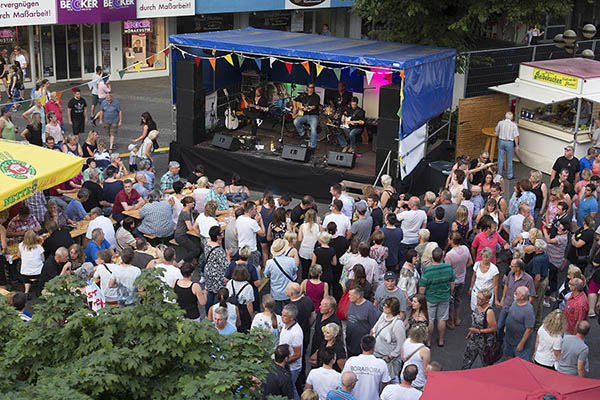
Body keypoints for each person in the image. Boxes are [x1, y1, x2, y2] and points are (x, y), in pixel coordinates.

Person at [419, 247, 455, 347]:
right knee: (442, 319)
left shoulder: (428, 271)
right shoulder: (448, 268)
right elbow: (452, 284)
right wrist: (450, 293)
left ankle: (428, 341)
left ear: (432, 258)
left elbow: (422, 288)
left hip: (430, 298)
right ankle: (441, 340)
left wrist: (422, 298)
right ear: (442, 257)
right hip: (444, 297)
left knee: (430, 320)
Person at [341, 335, 391, 399]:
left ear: (361, 346)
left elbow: (343, 380)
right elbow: (385, 383)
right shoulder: (381, 363)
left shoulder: (351, 361)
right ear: (373, 347)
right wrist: (380, 393)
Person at [372, 297, 406, 379]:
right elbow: (375, 328)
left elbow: (401, 345)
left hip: (388, 360)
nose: (383, 307)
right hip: (376, 354)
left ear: (391, 309)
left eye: (386, 306)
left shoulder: (398, 324)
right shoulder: (384, 315)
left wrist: (390, 357)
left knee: (388, 380)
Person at [462, 289, 497, 369]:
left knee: (486, 364)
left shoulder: (489, 312)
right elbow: (475, 322)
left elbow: (494, 328)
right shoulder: (477, 306)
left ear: (487, 300)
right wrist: (471, 332)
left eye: (481, 299)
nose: (478, 300)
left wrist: (478, 331)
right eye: (478, 298)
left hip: (485, 342)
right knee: (467, 361)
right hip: (474, 339)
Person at [444, 232, 472, 328]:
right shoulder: (465, 249)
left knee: (450, 300)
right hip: (462, 279)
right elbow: (470, 262)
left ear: (451, 241)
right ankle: (457, 318)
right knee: (458, 299)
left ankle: (451, 322)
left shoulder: (449, 255)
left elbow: (447, 271)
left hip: (452, 281)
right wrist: (463, 268)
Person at [264, 239, 298, 313]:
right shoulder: (291, 261)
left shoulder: (269, 263)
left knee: (277, 313)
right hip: (289, 291)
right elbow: (294, 271)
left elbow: (266, 275)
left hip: (275, 292)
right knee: (290, 312)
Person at [345, 286, 379, 357]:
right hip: (350, 341)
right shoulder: (351, 303)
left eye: (351, 295)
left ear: (358, 296)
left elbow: (374, 326)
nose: (349, 296)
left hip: (361, 345)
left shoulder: (369, 307)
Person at [504, 286, 535, 360]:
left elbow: (529, 329)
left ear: (522, 297)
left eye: (516, 293)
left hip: (519, 343)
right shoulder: (515, 303)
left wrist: (521, 344)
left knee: (520, 364)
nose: (514, 294)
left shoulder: (528, 310)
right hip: (509, 340)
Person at [280, 303, 304, 400]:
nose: (282, 317)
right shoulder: (285, 325)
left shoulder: (296, 333)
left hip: (292, 367)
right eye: (282, 314)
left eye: (285, 316)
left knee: (290, 388)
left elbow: (297, 354)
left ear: (292, 317)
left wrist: (282, 361)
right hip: (285, 363)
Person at [396, 197, 427, 265]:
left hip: (404, 240)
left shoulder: (405, 214)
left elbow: (392, 217)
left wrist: (398, 206)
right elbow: (423, 228)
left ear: (412, 205)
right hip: (415, 240)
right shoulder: (423, 213)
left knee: (403, 259)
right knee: (414, 259)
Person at [469, 247, 499, 312]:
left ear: (490, 257)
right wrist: (471, 288)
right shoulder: (477, 265)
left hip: (487, 295)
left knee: (485, 312)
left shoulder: (494, 269)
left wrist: (496, 299)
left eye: (487, 257)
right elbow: (473, 277)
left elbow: (495, 286)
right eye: (484, 257)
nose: (485, 259)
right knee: (474, 309)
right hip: (476, 292)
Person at [400, 326, 430, 391]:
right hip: (418, 380)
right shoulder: (425, 350)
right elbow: (426, 368)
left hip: (405, 375)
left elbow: (402, 358)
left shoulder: (406, 342)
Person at [293, 83, 320, 151]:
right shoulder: (303, 95)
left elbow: (314, 106)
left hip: (313, 115)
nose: (311, 89)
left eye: (312, 87)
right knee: (296, 121)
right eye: (310, 87)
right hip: (304, 115)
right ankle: (303, 134)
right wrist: (295, 108)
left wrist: (309, 108)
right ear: (307, 88)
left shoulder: (316, 97)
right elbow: (294, 100)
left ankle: (312, 146)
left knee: (313, 128)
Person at [18, 230, 45, 295]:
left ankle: (26, 291)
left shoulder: (21, 245)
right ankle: (40, 289)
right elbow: (43, 260)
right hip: (38, 272)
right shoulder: (39, 247)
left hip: (25, 273)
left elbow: (18, 255)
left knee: (24, 272)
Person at [495, 111, 520, 179]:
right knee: (509, 159)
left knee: (500, 158)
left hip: (501, 141)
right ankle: (509, 175)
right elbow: (516, 136)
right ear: (512, 118)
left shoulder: (500, 123)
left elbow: (496, 131)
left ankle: (499, 174)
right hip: (509, 143)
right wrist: (517, 145)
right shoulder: (514, 125)